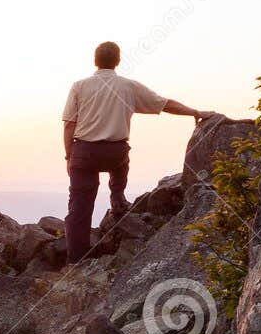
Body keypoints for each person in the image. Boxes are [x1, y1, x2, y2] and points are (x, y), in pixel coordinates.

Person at [61, 42, 219, 264]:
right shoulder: (128, 87)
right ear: (117, 61)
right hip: (115, 152)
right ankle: (117, 198)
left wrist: (69, 156)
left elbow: (69, 125)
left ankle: (76, 260)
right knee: (121, 160)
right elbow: (164, 104)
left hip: (84, 153)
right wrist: (195, 112)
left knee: (79, 206)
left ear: (95, 61)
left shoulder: (79, 86)